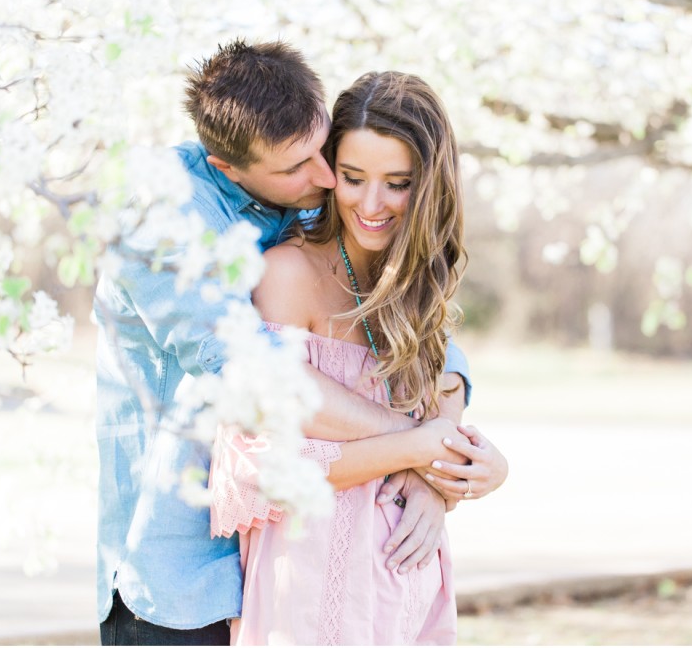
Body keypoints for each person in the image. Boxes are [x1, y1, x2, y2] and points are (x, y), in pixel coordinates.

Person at [93, 40, 507, 646]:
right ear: (226, 166)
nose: (323, 177)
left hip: (299, 568)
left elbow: (425, 342)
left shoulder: (307, 203)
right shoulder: (165, 220)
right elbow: (255, 376)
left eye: (322, 151)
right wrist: (426, 450)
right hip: (180, 571)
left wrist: (437, 465)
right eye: (296, 167)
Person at [208, 70, 503, 645]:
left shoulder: (417, 286)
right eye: (352, 177)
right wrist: (420, 449)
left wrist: (452, 479)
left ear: (431, 185)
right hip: (311, 586)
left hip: (404, 582)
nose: (372, 204)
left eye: (398, 182)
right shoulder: (289, 275)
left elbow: (443, 393)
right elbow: (267, 461)